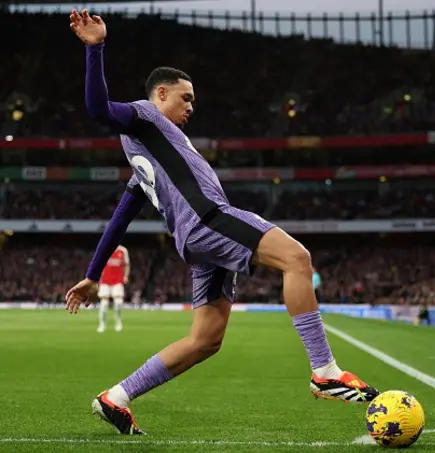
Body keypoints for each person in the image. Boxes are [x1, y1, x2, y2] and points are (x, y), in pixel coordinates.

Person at [64, 9, 379, 435]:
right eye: (185, 98)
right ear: (160, 93)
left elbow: (122, 215)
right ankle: (325, 370)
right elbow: (98, 109)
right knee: (297, 258)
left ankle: (116, 397)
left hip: (196, 241)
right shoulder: (142, 116)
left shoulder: (145, 156)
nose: (192, 106)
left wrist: (91, 275)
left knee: (205, 340)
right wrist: (96, 48)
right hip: (208, 220)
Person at [97, 245, 130, 332]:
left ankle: (118, 322)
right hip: (105, 281)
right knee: (104, 304)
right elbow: (98, 263)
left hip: (117, 281)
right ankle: (102, 324)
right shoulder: (104, 247)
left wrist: (126, 276)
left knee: (119, 303)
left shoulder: (123, 250)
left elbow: (126, 265)